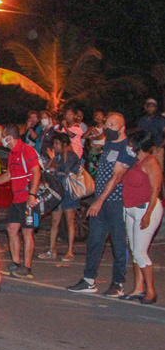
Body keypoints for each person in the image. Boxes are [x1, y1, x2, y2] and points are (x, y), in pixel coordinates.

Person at [67, 113, 134, 297]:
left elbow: (116, 177)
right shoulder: (109, 144)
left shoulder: (127, 148)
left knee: (118, 243)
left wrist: (99, 201)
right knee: (95, 241)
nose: (108, 127)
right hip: (101, 201)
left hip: (116, 202)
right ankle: (89, 280)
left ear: (122, 128)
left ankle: (118, 282)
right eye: (107, 123)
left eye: (113, 125)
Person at [0, 125, 41, 279]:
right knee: (11, 229)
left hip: (27, 198)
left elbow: (36, 173)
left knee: (27, 232)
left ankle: (27, 267)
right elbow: (9, 175)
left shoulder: (27, 150)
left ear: (9, 137)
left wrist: (32, 195)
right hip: (17, 199)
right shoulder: (13, 153)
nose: (1, 138)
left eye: (2, 135)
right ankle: (16, 263)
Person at [120, 131, 162, 304]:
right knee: (135, 251)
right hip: (131, 210)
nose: (129, 146)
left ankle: (151, 291)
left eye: (131, 143)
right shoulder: (137, 162)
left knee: (140, 252)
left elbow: (155, 189)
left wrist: (148, 214)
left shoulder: (151, 162)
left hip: (145, 209)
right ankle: (139, 287)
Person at [42, 133, 80, 262]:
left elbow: (66, 169)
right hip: (58, 191)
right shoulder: (57, 155)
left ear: (63, 144)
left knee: (69, 221)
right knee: (54, 221)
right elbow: (47, 167)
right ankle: (51, 249)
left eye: (57, 143)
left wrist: (56, 166)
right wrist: (52, 160)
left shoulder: (71, 155)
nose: (55, 146)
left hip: (69, 192)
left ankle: (70, 250)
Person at [136, 98, 165, 167]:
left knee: (157, 168)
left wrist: (160, 146)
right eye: (149, 106)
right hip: (144, 149)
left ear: (156, 108)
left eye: (153, 106)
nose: (151, 108)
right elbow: (139, 133)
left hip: (157, 149)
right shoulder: (142, 120)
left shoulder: (160, 120)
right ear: (145, 107)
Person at [83, 108, 107, 176]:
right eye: (96, 116)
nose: (98, 118)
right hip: (93, 150)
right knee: (92, 168)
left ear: (104, 117)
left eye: (100, 116)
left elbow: (101, 137)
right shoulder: (92, 128)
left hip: (101, 150)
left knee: (100, 167)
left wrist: (92, 137)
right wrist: (91, 130)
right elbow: (84, 136)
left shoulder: (105, 127)